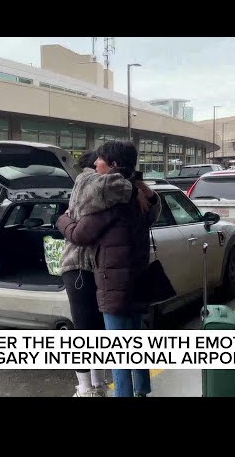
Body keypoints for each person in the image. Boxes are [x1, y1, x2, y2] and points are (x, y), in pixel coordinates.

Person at [57, 141, 162, 397]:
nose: (95, 164)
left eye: (100, 160)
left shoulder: (111, 203)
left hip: (114, 284)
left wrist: (61, 218)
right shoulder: (141, 198)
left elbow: (80, 234)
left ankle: (119, 392)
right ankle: (142, 391)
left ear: (113, 165)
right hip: (137, 280)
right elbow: (154, 210)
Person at [59, 150, 134, 397]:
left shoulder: (102, 192)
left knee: (95, 329)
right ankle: (85, 387)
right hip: (78, 266)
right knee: (84, 329)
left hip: (96, 267)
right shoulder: (88, 185)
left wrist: (62, 221)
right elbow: (82, 233)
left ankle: (97, 385)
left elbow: (80, 231)